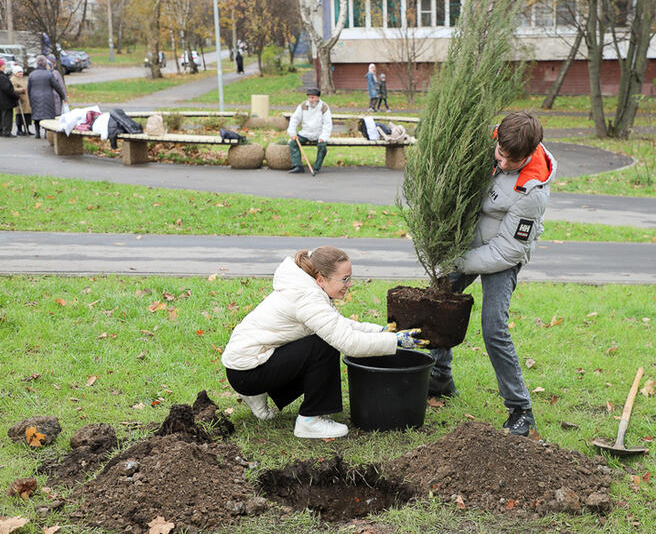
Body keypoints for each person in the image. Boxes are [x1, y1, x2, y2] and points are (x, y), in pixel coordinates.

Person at [429, 111, 557, 437]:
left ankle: (520, 411)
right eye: (499, 153)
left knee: (493, 328)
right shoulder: (493, 138)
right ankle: (440, 376)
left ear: (528, 155)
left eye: (511, 161)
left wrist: (458, 259)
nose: (501, 163)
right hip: (469, 245)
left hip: (502, 255)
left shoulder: (532, 191)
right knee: (438, 302)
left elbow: (506, 251)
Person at [222, 247, 428, 438]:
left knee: (323, 338)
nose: (349, 285)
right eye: (345, 279)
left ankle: (258, 394)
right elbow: (348, 343)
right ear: (321, 279)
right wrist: (394, 341)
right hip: (247, 373)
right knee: (324, 345)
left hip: (245, 365)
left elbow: (337, 323)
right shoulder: (307, 297)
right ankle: (310, 420)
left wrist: (381, 331)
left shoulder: (305, 287)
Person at [286, 87, 332, 174]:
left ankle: (316, 168)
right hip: (305, 133)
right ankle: (298, 166)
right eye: (309, 97)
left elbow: (327, 124)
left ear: (318, 98)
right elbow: (294, 119)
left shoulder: (324, 107)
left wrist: (323, 137)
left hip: (319, 134)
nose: (310, 100)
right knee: (293, 143)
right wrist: (292, 133)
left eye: (313, 97)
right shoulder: (303, 106)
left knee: (322, 147)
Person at [27, 56, 66, 139]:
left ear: (36, 63)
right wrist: (62, 96)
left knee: (36, 116)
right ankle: (46, 133)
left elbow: (28, 88)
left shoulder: (32, 75)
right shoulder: (49, 74)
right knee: (47, 116)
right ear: (45, 64)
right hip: (48, 97)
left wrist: (30, 99)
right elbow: (57, 86)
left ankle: (37, 133)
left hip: (35, 97)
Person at [10, 65, 32, 136]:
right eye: (19, 72)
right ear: (15, 73)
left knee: (27, 115)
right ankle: (19, 130)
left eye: (21, 72)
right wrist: (21, 90)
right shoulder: (13, 79)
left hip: (26, 100)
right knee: (19, 115)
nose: (21, 73)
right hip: (20, 99)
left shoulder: (22, 79)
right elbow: (13, 89)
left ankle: (27, 129)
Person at [0, 58, 19, 138]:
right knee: (7, 116)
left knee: (1, 116)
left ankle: (1, 130)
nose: (4, 66)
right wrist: (16, 96)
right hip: (5, 100)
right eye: (3, 65)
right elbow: (8, 89)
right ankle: (7, 131)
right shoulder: (2, 77)